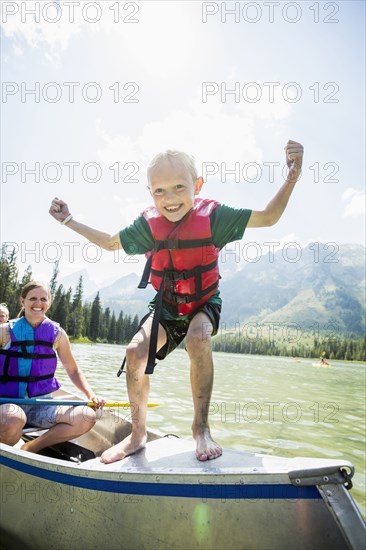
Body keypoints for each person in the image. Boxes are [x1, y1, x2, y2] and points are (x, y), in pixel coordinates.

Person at [49, 140, 304, 464]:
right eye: (160, 191)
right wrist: (68, 220)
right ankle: (138, 433)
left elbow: (268, 217)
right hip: (168, 306)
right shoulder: (148, 225)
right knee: (134, 353)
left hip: (204, 302)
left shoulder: (214, 218)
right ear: (149, 192)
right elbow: (111, 243)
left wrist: (291, 178)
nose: (169, 199)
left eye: (179, 188)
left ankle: (201, 428)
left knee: (198, 339)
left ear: (197, 186)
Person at [0, 281, 105, 453]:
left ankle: (29, 449)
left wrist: (91, 395)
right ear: (22, 301)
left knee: (86, 416)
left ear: (49, 303)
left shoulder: (58, 334)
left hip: (41, 404)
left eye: (43, 299)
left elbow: (73, 370)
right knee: (13, 419)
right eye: (33, 298)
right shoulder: (4, 331)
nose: (38, 303)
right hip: (6, 404)